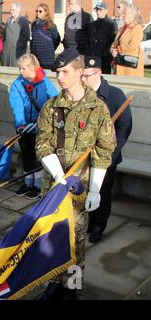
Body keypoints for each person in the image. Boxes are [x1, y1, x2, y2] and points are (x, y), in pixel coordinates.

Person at [35, 48, 115, 300]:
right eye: (57, 72)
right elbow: (43, 143)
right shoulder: (51, 107)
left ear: (80, 73)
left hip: (79, 189)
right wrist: (59, 176)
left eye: (64, 71)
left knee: (75, 241)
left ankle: (71, 288)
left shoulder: (98, 109)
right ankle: (53, 284)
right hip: (53, 185)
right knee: (48, 238)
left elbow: (104, 150)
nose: (59, 77)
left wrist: (95, 190)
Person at [82, 56, 132, 243]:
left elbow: (124, 126)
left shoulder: (115, 95)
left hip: (107, 155)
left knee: (102, 191)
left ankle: (98, 226)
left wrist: (111, 152)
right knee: (86, 190)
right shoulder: (82, 94)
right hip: (85, 153)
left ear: (99, 73)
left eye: (87, 76)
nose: (84, 80)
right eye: (82, 76)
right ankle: (87, 221)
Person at [9, 53, 59, 200]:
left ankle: (38, 185)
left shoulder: (46, 84)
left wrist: (43, 123)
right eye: (19, 68)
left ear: (33, 68)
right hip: (24, 126)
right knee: (26, 154)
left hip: (40, 126)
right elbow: (16, 105)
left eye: (23, 68)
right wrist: (20, 124)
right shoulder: (17, 84)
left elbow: (53, 104)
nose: (20, 72)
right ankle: (28, 182)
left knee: (38, 156)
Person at [111, 1, 144, 77]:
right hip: (119, 63)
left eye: (125, 13)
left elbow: (133, 46)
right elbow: (115, 42)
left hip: (130, 67)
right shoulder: (122, 28)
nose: (122, 15)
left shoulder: (137, 28)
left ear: (132, 15)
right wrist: (112, 49)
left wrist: (118, 49)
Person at [88, 2, 116, 74]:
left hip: (105, 59)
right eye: (97, 10)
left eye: (100, 10)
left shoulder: (111, 24)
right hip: (93, 57)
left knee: (104, 78)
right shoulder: (92, 24)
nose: (98, 12)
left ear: (106, 10)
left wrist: (107, 53)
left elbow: (113, 41)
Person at [30, 3, 61, 70]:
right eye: (37, 11)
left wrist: (51, 48)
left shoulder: (50, 25)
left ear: (45, 12)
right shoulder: (34, 24)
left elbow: (57, 39)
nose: (38, 13)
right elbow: (33, 40)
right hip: (36, 57)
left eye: (40, 11)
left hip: (47, 57)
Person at [2, 3, 30, 67]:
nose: (11, 12)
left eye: (13, 10)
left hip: (17, 51)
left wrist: (21, 49)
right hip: (7, 51)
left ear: (18, 10)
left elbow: (26, 36)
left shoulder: (23, 21)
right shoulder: (9, 20)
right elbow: (5, 35)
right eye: (10, 10)